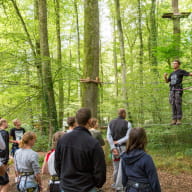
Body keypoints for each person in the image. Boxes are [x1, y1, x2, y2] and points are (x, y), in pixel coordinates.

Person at [55, 108, 106, 192]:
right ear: (89, 121)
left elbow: (57, 164)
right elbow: (100, 170)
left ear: (76, 121)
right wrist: (96, 184)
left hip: (69, 187)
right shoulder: (93, 143)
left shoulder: (62, 140)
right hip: (85, 187)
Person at [121, 127, 161, 192]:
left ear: (130, 139)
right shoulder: (146, 158)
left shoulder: (124, 157)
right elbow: (154, 181)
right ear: (143, 140)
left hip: (130, 189)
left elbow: (124, 181)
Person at [107, 108, 132, 191]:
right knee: (123, 167)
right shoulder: (128, 123)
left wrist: (113, 146)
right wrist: (118, 142)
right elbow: (128, 137)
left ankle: (115, 184)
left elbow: (108, 136)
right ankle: (121, 186)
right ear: (124, 113)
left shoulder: (111, 123)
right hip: (124, 148)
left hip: (114, 149)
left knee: (116, 167)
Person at [164, 60, 192, 125]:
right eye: (173, 63)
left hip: (178, 89)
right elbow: (167, 81)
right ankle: (174, 119)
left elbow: (189, 74)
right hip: (172, 90)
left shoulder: (181, 71)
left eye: (175, 63)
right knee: (173, 103)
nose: (174, 65)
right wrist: (165, 76)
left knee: (177, 103)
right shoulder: (172, 73)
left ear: (178, 65)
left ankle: (179, 119)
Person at [0, 119, 9, 192]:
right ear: (3, 123)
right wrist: (5, 158)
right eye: (6, 122)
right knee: (5, 182)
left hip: (2, 158)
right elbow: (3, 147)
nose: (7, 124)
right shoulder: (4, 133)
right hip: (2, 159)